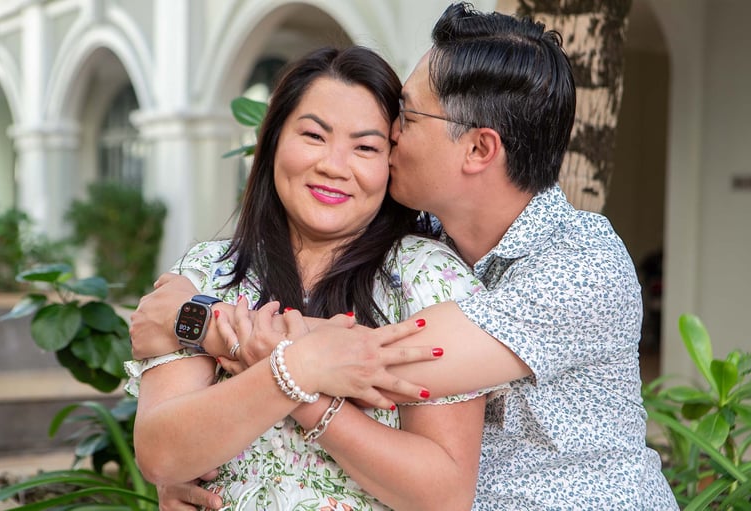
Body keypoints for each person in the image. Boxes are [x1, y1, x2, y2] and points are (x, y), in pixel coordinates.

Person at [137, 3, 678, 509]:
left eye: (409, 119)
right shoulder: (429, 237)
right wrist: (190, 461)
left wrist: (200, 322)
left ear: (479, 149)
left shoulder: (581, 267)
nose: (390, 136)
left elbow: (373, 356)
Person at [127, 44, 502, 511]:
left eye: (365, 146)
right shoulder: (208, 273)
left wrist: (291, 375)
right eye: (313, 136)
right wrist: (297, 370)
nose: (333, 165)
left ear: (391, 161)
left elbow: (443, 494)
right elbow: (162, 454)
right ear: (273, 141)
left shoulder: (429, 279)